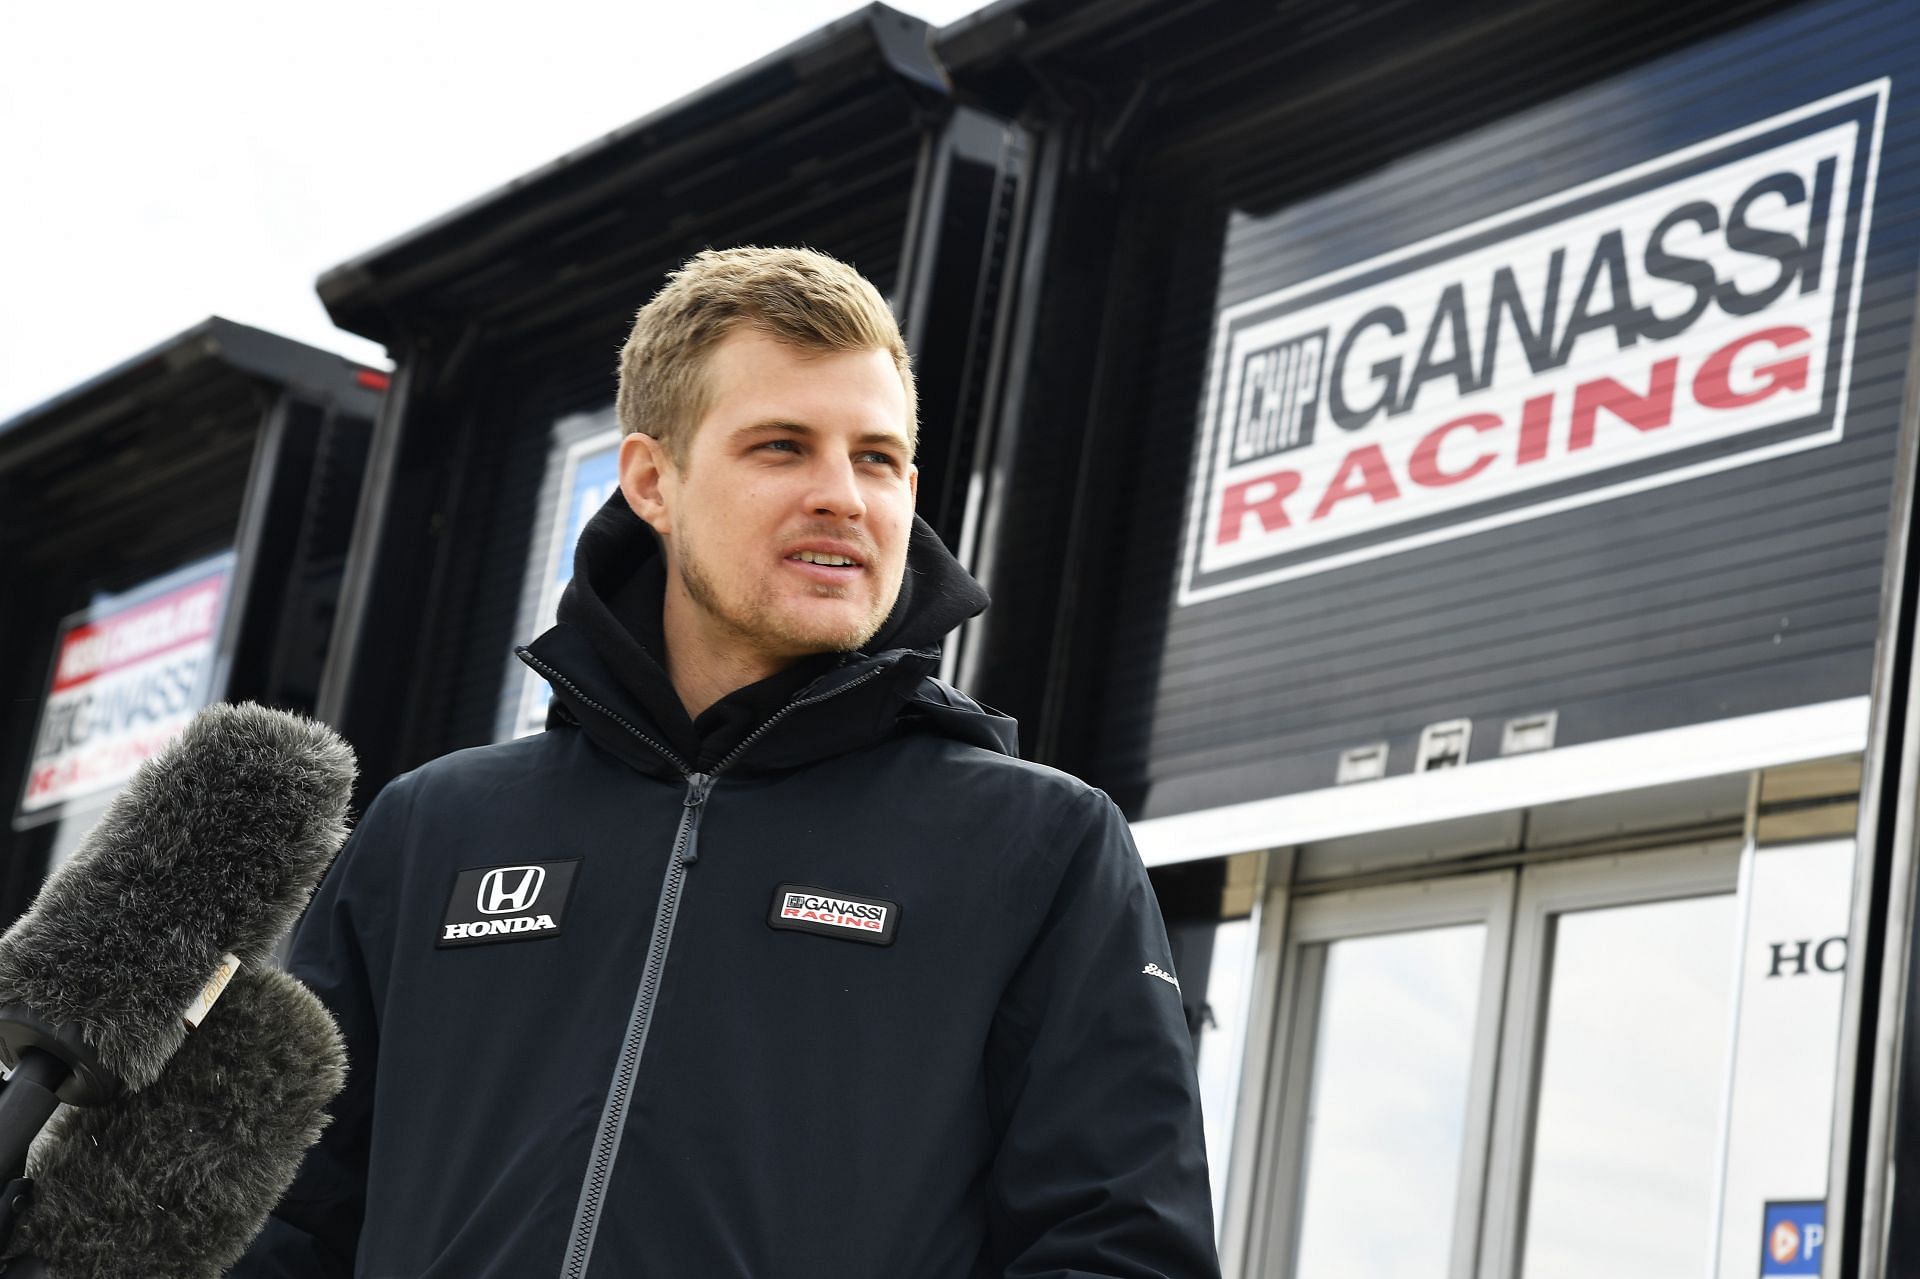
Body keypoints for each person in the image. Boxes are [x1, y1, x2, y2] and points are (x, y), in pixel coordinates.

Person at [234, 247, 1220, 1278]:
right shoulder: (431, 829)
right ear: (654, 480)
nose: (843, 495)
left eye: (877, 459)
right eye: (783, 447)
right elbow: (281, 1219)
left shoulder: (1040, 847)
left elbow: (1119, 1250)